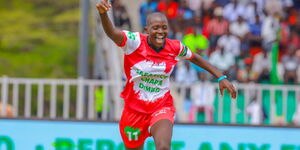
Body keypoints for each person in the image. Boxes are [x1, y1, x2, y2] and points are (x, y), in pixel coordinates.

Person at [96, 1, 237, 149]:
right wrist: (103, 13)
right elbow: (112, 33)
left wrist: (221, 77)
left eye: (164, 28)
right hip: (134, 111)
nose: (160, 31)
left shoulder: (174, 47)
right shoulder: (134, 42)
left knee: (163, 147)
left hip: (161, 106)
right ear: (146, 29)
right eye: (155, 27)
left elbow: (195, 57)